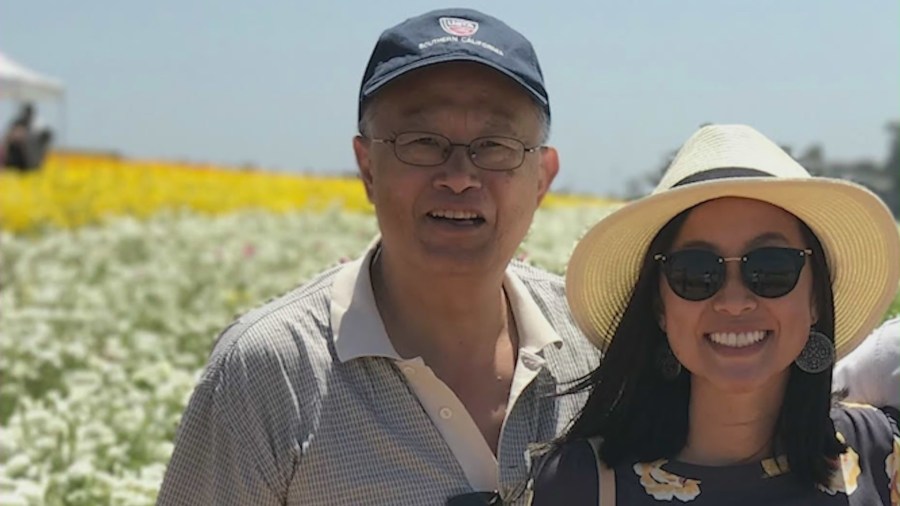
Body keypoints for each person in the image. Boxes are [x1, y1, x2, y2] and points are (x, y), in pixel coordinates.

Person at [157, 8, 601, 505]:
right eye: (423, 142)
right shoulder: (269, 370)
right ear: (367, 167)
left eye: (494, 146)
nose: (458, 176)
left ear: (542, 177)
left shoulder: (597, 341)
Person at [531, 124, 900, 505]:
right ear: (660, 307)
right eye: (695, 273)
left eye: (771, 269)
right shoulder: (581, 485)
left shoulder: (879, 455)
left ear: (816, 301)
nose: (734, 301)